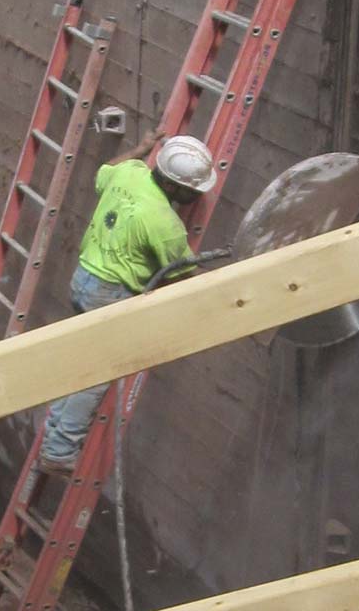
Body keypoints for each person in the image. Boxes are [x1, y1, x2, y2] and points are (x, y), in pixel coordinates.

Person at [37, 132, 215, 474]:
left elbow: (105, 169)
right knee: (97, 374)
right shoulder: (165, 223)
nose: (195, 196)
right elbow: (183, 274)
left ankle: (52, 437)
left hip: (83, 278)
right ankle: (60, 451)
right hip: (110, 294)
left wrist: (141, 145)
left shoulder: (129, 171)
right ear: (178, 188)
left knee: (78, 365)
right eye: (193, 190)